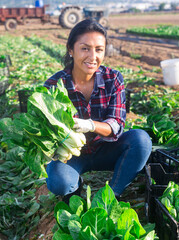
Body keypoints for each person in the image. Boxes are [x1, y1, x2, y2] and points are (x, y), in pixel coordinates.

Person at [44, 19, 152, 202]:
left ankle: (113, 194)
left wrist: (90, 125)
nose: (92, 57)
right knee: (59, 182)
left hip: (106, 148)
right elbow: (46, 132)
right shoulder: (54, 85)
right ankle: (73, 189)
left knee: (141, 140)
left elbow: (117, 124)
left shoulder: (113, 78)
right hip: (71, 154)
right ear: (71, 50)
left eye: (99, 49)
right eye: (85, 48)